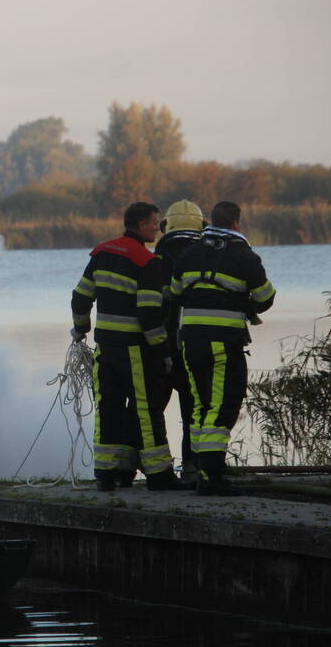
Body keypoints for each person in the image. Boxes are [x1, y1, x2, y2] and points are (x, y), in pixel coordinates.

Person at [71, 202, 190, 492]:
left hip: (104, 349)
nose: (158, 227)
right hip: (135, 351)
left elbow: (80, 297)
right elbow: (150, 316)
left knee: (108, 408)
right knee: (146, 410)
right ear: (139, 226)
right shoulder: (146, 262)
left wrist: (81, 329)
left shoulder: (100, 253)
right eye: (154, 223)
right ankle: (159, 475)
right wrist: (163, 352)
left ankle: (105, 474)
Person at [170, 201, 275, 496]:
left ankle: (199, 470)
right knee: (223, 404)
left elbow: (175, 293)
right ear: (237, 222)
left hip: (189, 341)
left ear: (209, 222)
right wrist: (245, 304)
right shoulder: (244, 255)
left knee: (200, 405)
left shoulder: (189, 252)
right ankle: (211, 476)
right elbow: (266, 297)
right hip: (223, 342)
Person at [155, 200, 206, 481]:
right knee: (194, 409)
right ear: (203, 226)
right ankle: (192, 465)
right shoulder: (205, 256)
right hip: (195, 344)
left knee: (150, 409)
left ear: (165, 227)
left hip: (157, 346)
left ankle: (151, 469)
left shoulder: (155, 259)